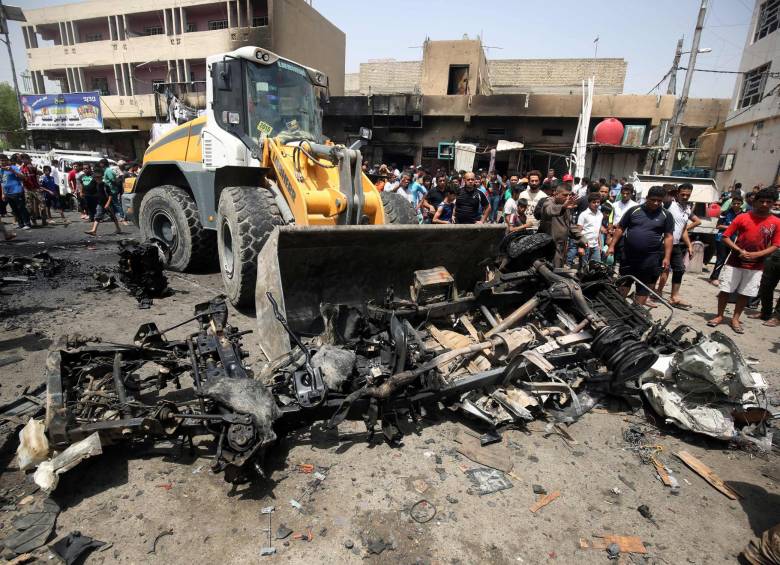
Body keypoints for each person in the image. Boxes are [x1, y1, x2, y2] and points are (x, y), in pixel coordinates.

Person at [709, 188, 780, 333]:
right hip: (735, 261)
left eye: (769, 202)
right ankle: (719, 315)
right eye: (762, 201)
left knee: (745, 293)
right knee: (725, 290)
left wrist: (757, 255)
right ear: (755, 202)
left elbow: (776, 245)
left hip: (756, 265)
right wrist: (739, 250)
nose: (765, 204)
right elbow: (725, 236)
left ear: (773, 203)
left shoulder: (776, 222)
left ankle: (735, 319)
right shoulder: (743, 217)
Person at [607, 186, 673, 306]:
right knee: (624, 282)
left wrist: (667, 257)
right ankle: (617, 309)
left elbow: (668, 237)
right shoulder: (634, 210)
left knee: (643, 286)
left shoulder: (666, 215)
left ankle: (636, 311)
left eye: (659, 201)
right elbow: (621, 228)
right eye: (653, 200)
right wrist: (612, 246)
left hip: (650, 258)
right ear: (647, 198)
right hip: (629, 256)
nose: (656, 203)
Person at [656, 183, 700, 308]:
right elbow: (663, 197)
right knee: (659, 269)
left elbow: (683, 229)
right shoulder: (670, 204)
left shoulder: (687, 209)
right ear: (677, 194)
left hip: (675, 244)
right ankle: (654, 292)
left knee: (679, 269)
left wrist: (689, 245)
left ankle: (674, 296)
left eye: (688, 195)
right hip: (662, 243)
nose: (685, 197)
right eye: (682, 194)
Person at [538, 183, 587, 268]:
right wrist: (563, 207)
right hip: (549, 247)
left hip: (562, 246)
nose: (567, 197)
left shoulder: (566, 206)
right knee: (552, 271)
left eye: (569, 195)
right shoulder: (549, 202)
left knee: (559, 269)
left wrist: (581, 237)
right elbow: (549, 210)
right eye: (565, 195)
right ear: (556, 194)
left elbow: (569, 225)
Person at [709, 196, 744, 285]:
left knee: (733, 259)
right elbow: (718, 226)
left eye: (738, 203)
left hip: (736, 239)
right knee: (721, 258)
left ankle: (729, 279)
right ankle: (714, 277)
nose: (736, 205)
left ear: (742, 204)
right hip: (722, 238)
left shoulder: (744, 215)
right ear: (731, 203)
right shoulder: (725, 213)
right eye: (734, 203)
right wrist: (731, 227)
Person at [84, 168, 123, 237]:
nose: (96, 179)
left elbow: (110, 195)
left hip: (107, 204)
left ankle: (118, 229)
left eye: (98, 178)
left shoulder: (105, 185)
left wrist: (108, 203)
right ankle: (94, 230)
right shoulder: (96, 185)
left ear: (101, 178)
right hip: (100, 204)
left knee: (113, 216)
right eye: (95, 178)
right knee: (98, 216)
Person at [0, 153, 32, 230]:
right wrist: (3, 194)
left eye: (4, 160)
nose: (3, 162)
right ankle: (21, 224)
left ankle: (27, 223)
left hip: (17, 191)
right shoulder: (1, 170)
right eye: (1, 161)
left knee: (21, 208)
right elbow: (2, 183)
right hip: (8, 193)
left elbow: (23, 177)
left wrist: (12, 170)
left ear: (7, 161)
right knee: (14, 210)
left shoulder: (14, 167)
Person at [577, 193, 606, 264]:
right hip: (585, 245)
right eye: (594, 202)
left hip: (595, 245)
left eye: (598, 202)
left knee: (597, 266)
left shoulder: (600, 214)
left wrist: (600, 245)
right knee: (584, 267)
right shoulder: (583, 215)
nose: (596, 204)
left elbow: (598, 231)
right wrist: (580, 247)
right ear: (589, 203)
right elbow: (578, 231)